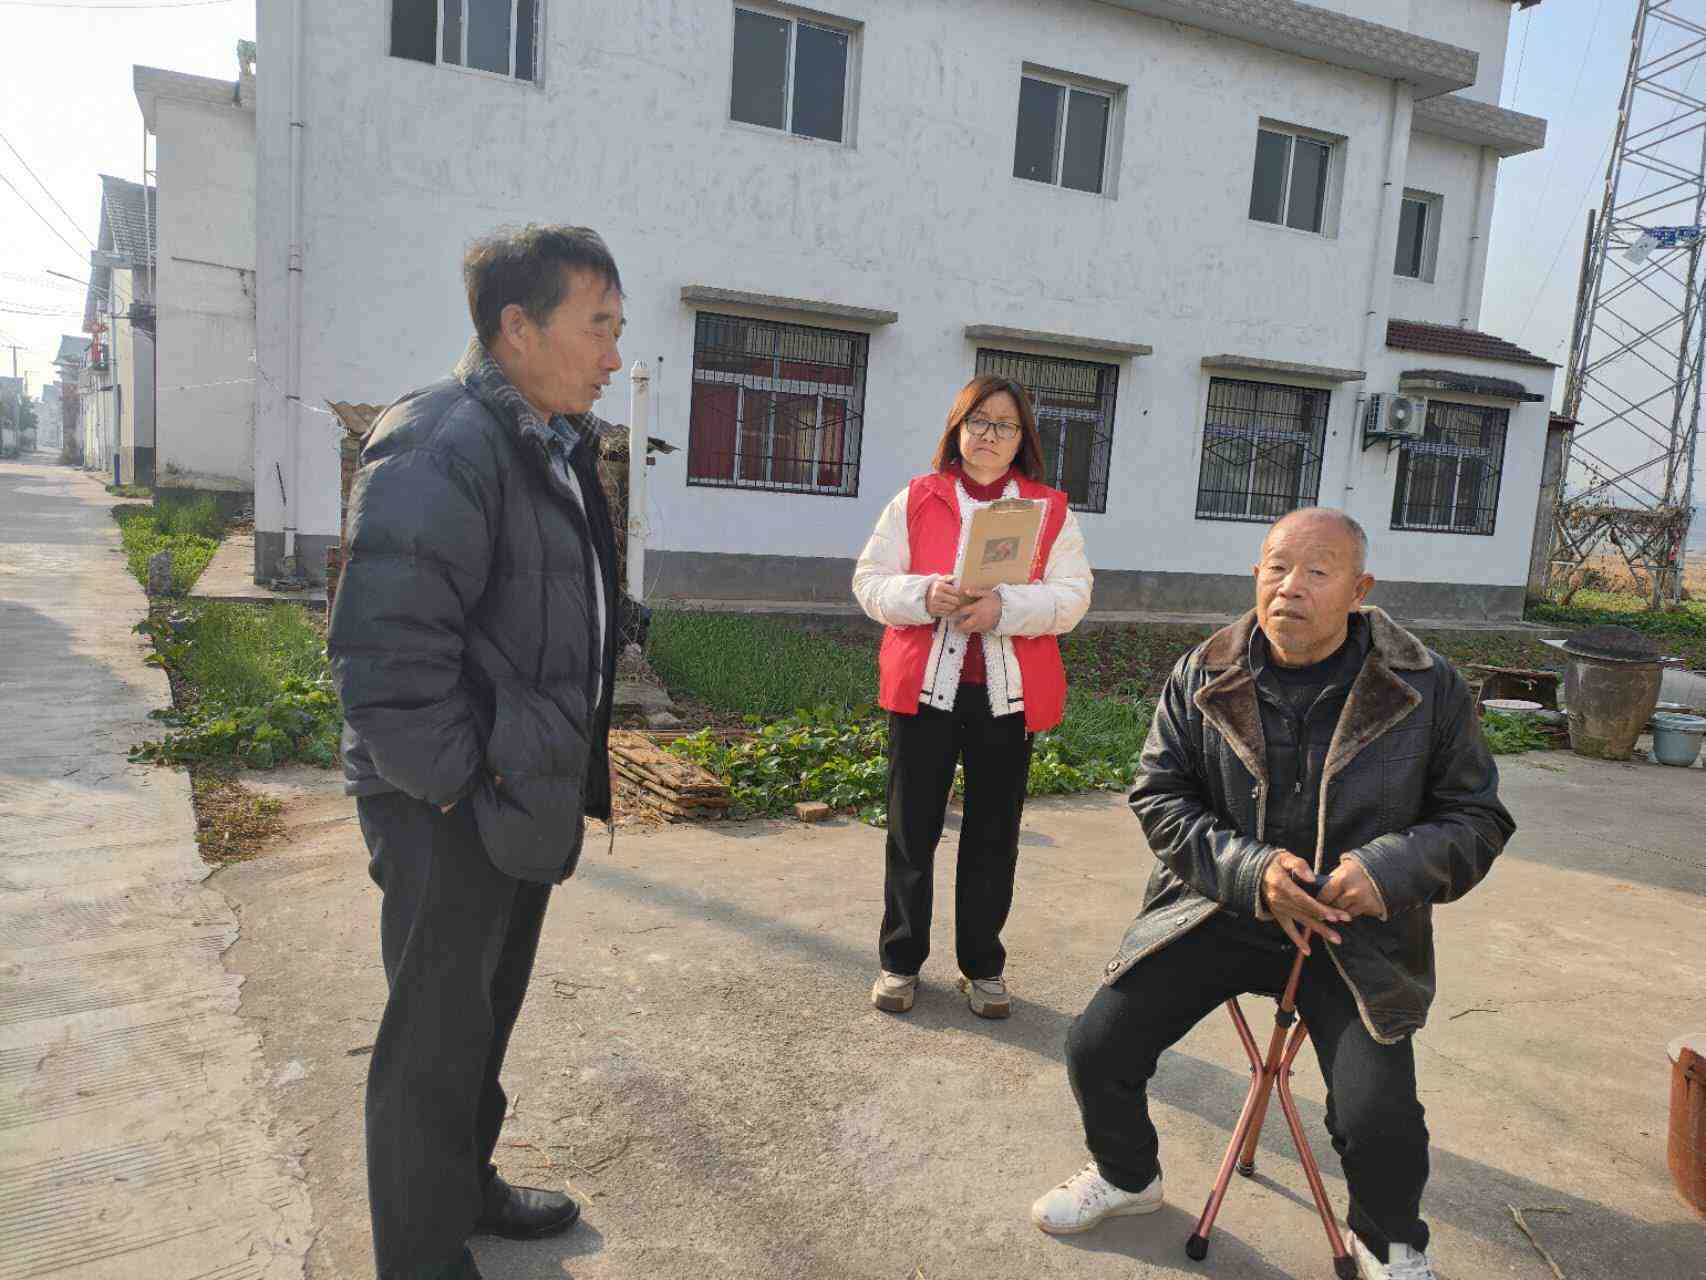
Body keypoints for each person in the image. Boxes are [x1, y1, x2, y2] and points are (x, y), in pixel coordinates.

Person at [1030, 507, 1514, 1280]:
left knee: (1379, 1118)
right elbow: (1160, 796)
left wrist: (1383, 871)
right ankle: (1128, 1176)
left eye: (1317, 572)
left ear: (1359, 589)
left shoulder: (1424, 686)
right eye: (1276, 568)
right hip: (1219, 907)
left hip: (1349, 929)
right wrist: (1253, 873)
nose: (1290, 587)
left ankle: (1389, 1244)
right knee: (1097, 1047)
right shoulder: (1205, 671)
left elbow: (1476, 818)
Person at [327, 225, 624, 1280]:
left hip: (513, 787)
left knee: (482, 1018)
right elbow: (385, 662)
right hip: (448, 802)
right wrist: (465, 788)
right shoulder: (441, 440)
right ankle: (418, 1256)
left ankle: (461, 1184)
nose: (614, 356)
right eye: (597, 327)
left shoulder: (546, 437)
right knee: (433, 1041)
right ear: (516, 327)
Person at [852, 374, 1093, 1019]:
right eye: (978, 421)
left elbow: (1072, 598)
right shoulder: (916, 497)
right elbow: (869, 582)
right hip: (924, 694)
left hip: (1005, 701)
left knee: (994, 836)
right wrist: (922, 594)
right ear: (957, 428)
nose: (989, 435)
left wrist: (1003, 608)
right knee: (912, 830)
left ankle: (982, 967)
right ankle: (900, 960)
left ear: (1023, 439)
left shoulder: (1049, 510)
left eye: (1004, 425)